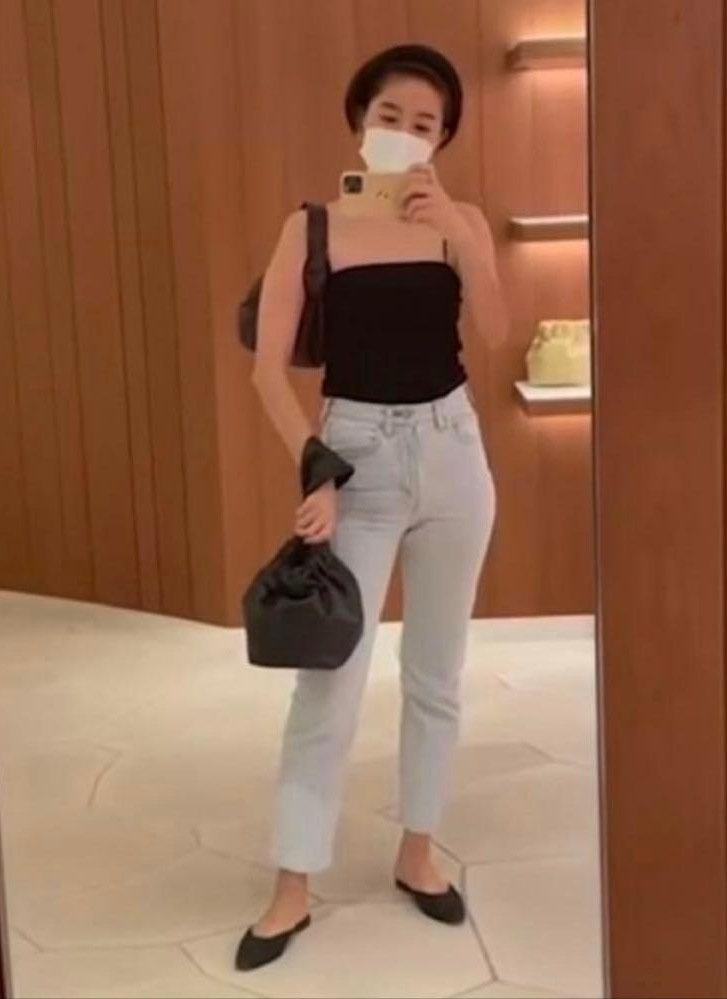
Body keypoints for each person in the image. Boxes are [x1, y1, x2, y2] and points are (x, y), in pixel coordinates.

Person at [238, 43, 508, 971]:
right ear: (361, 120)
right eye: (391, 116)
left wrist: (464, 236)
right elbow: (266, 371)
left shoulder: (459, 222)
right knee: (330, 677)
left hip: (455, 449)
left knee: (438, 670)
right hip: (357, 454)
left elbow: (497, 329)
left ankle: (417, 849)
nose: (405, 133)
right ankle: (292, 882)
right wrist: (314, 468)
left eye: (426, 124)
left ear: (443, 139)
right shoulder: (309, 228)